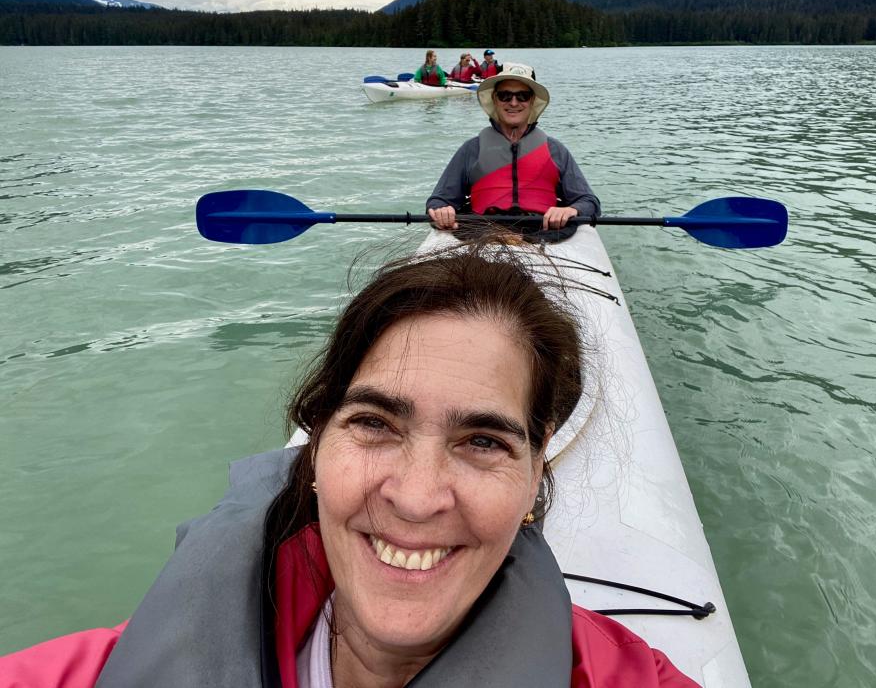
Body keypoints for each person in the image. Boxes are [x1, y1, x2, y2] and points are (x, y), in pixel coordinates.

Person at [0, 242, 698, 687]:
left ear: (534, 474)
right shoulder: (100, 670)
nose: (418, 498)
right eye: (374, 423)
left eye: (484, 441)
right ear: (315, 443)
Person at [426, 64, 600, 239]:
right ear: (495, 99)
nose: (513, 103)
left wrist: (571, 210)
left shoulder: (556, 150)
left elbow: (589, 202)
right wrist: (442, 211)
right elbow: (438, 200)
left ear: (532, 101)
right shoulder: (471, 149)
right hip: (481, 233)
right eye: (505, 96)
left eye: (522, 96)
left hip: (545, 233)